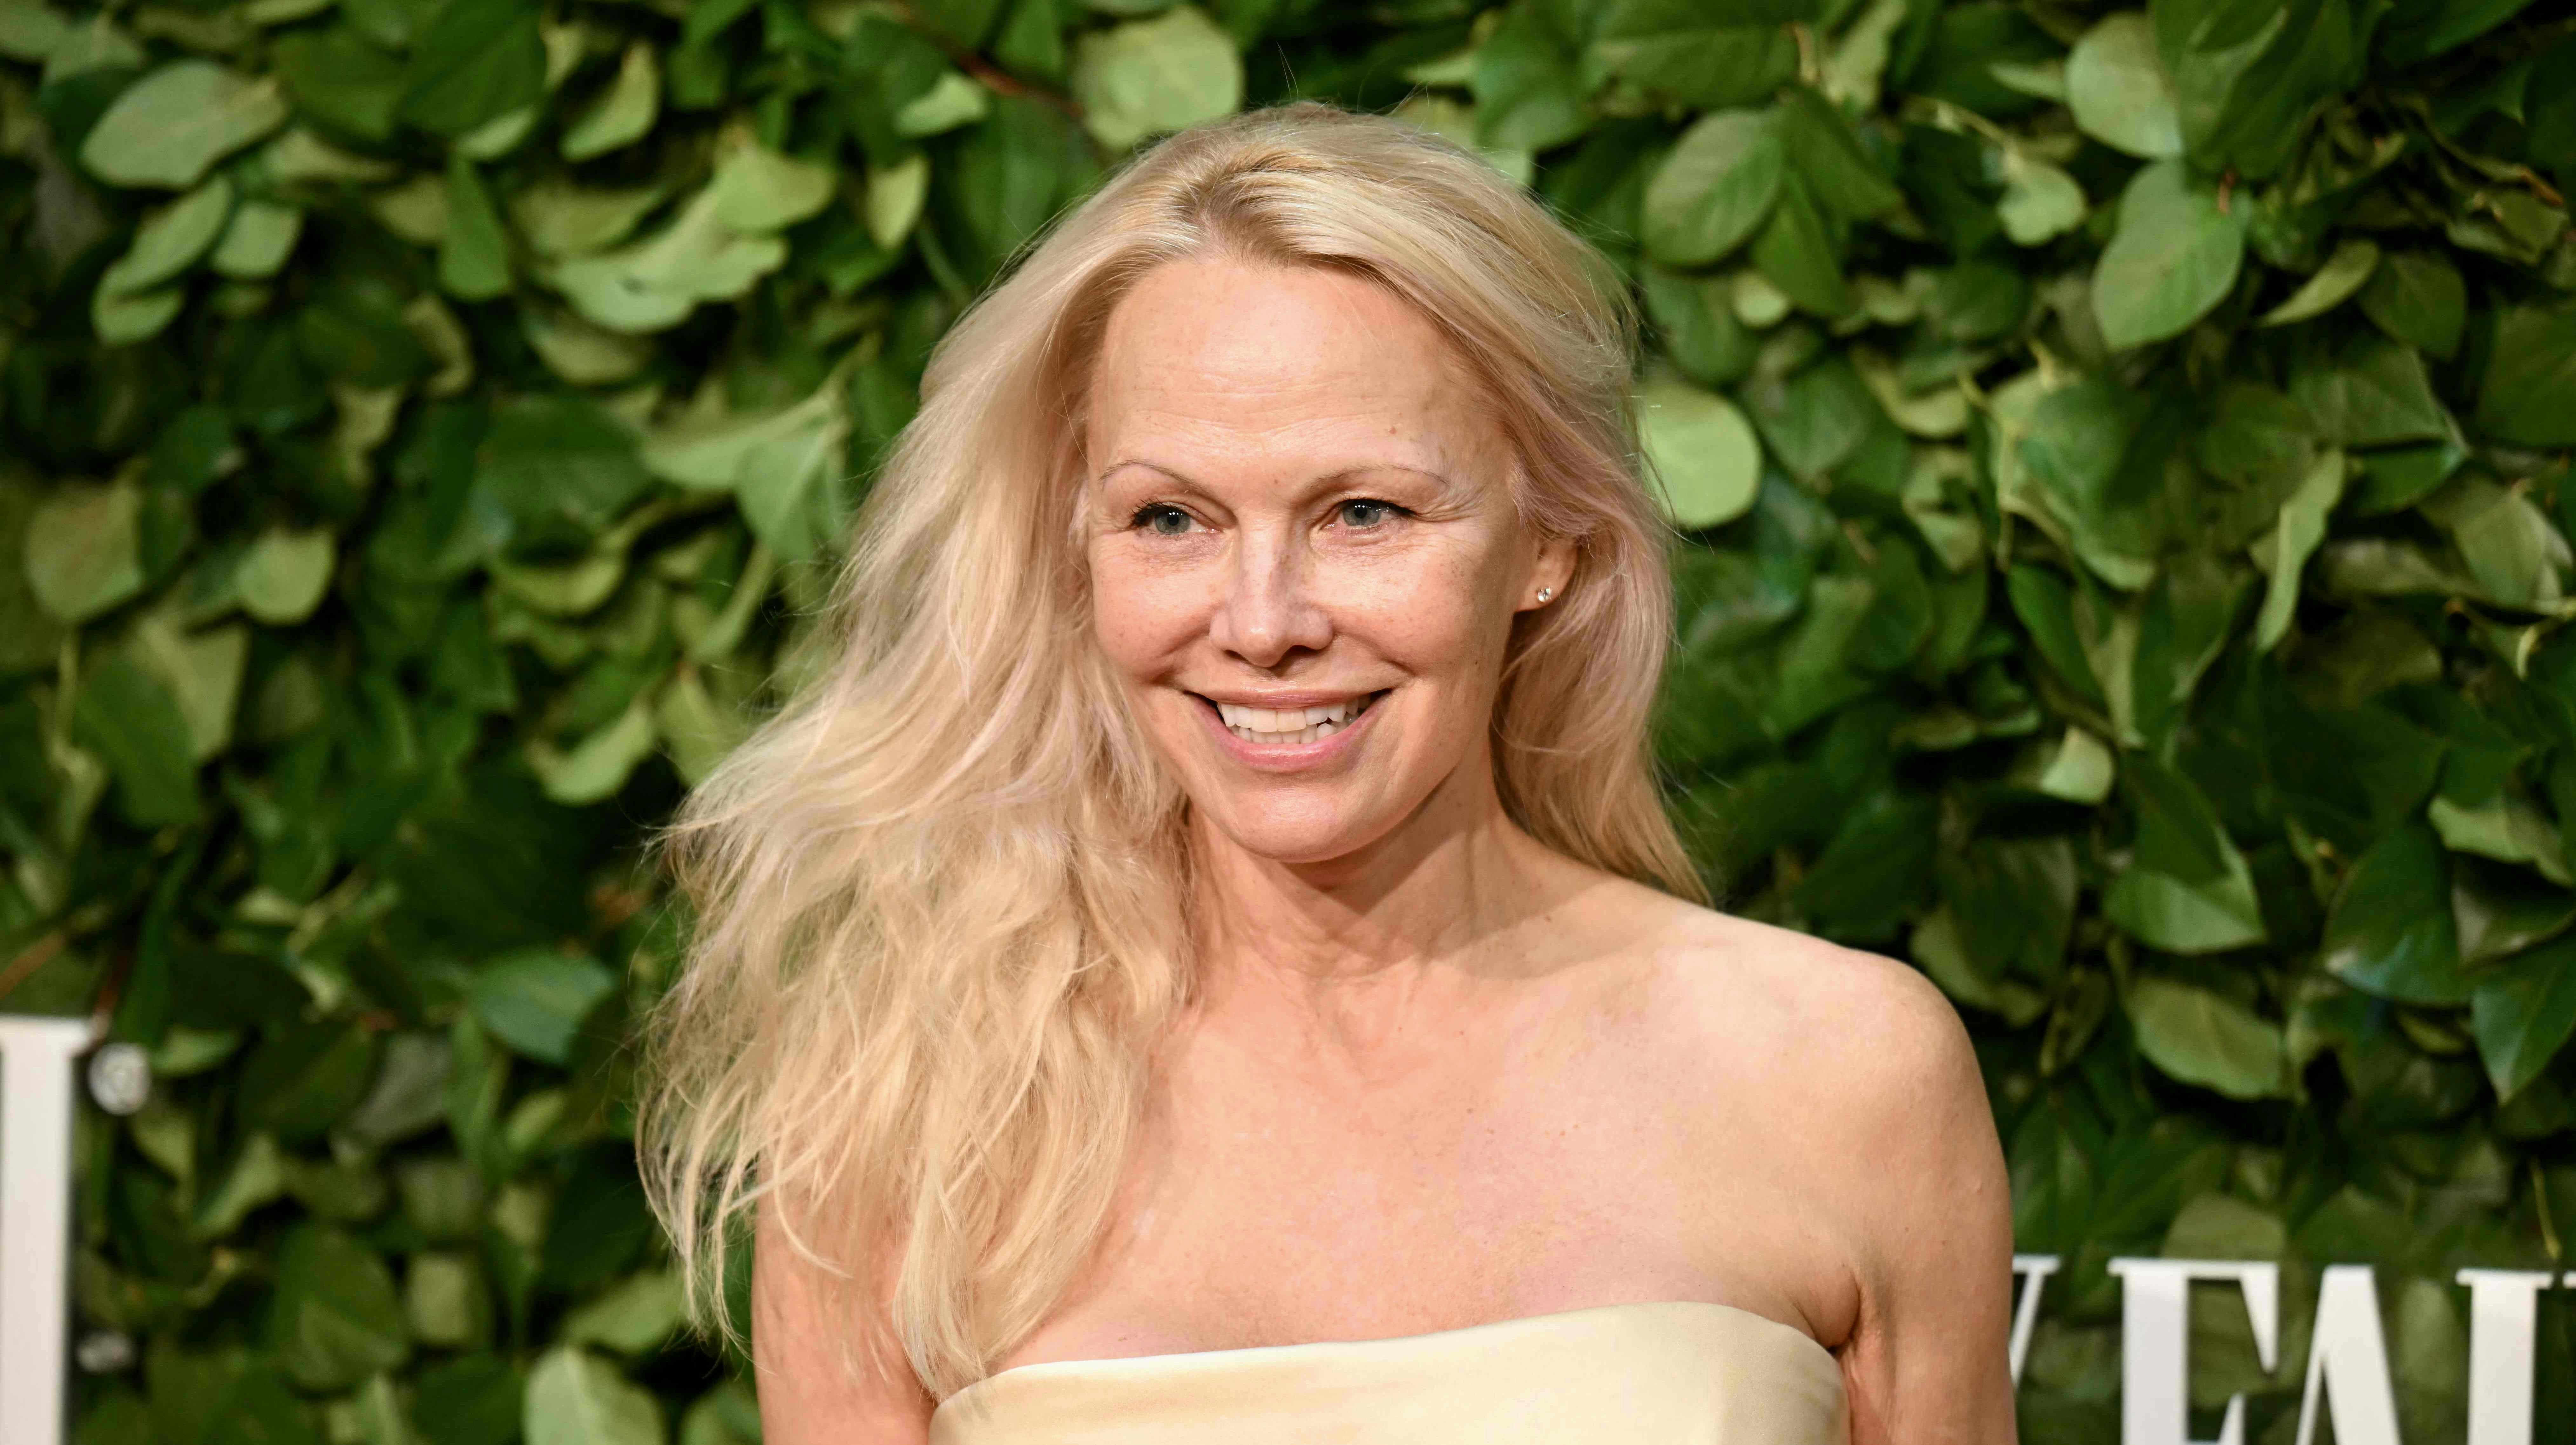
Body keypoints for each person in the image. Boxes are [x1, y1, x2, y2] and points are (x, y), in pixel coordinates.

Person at [637, 101, 2016, 1444]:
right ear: (1079, 550)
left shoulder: (1844, 1073)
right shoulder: (901, 1121)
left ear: (1552, 545)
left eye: (1365, 513)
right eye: (1170, 518)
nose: (1262, 623)